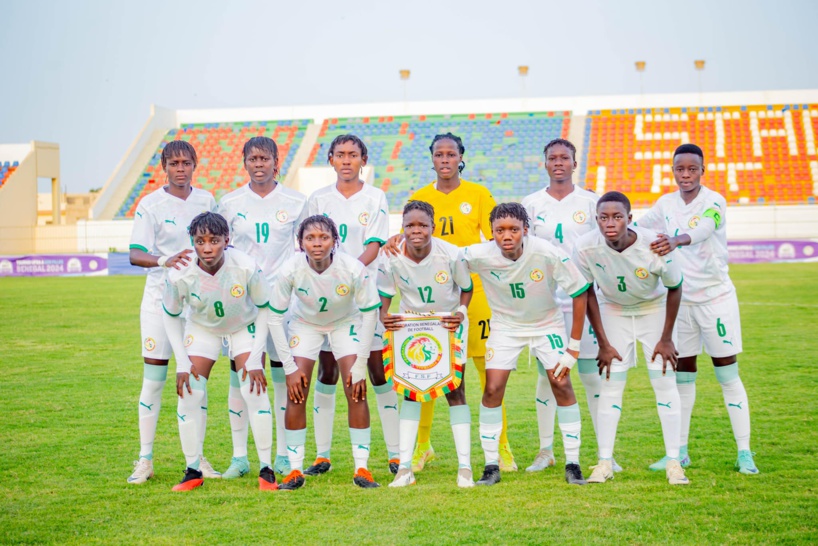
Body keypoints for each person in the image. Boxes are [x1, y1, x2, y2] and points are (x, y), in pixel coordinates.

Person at [384, 132, 516, 472]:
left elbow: (496, 236)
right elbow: (407, 234)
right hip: (430, 305)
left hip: (474, 296)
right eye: (439, 154)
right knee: (424, 372)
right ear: (432, 159)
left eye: (451, 153)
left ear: (461, 157)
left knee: (490, 377)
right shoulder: (420, 196)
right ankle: (422, 447)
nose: (445, 159)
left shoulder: (478, 194)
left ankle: (501, 448)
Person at [635, 143, 758, 475]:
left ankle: (744, 452)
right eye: (680, 169)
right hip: (681, 302)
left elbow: (704, 229)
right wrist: (613, 218)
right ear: (672, 171)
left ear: (703, 171)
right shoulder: (665, 203)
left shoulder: (714, 201)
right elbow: (640, 226)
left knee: (726, 373)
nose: (685, 175)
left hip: (715, 299)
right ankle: (680, 452)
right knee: (683, 377)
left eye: (692, 169)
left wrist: (676, 240)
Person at [464, 203, 590, 486]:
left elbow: (580, 291)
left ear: (525, 230)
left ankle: (573, 463)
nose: (506, 236)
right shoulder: (480, 254)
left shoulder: (547, 253)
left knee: (561, 384)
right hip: (506, 327)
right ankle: (491, 465)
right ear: (492, 232)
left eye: (513, 229)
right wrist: (400, 241)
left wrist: (574, 346)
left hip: (547, 325)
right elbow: (445, 256)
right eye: (499, 230)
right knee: (492, 388)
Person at [256, 214, 382, 489]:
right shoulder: (290, 269)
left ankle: (362, 467)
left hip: (345, 323)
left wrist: (361, 363)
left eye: (323, 237)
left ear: (335, 241)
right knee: (297, 391)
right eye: (310, 238)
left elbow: (371, 315)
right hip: (305, 324)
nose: (317, 244)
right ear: (300, 242)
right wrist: (289, 368)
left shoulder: (352, 268)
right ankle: (295, 470)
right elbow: (274, 318)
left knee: (355, 387)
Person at [572, 191, 689, 486]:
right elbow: (586, 292)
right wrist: (603, 343)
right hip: (613, 310)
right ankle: (605, 462)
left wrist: (666, 338)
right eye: (603, 217)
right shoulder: (585, 246)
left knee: (664, 382)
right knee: (610, 385)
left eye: (617, 216)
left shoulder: (655, 244)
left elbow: (675, 287)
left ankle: (674, 462)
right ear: (596, 219)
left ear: (629, 219)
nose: (610, 223)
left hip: (654, 308)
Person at [521, 138, 620, 473]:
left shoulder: (591, 201)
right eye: (553, 158)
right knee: (547, 376)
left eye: (565, 158)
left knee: (592, 376)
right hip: (545, 301)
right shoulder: (531, 203)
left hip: (586, 299)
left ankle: (604, 454)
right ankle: (546, 450)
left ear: (575, 163)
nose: (559, 162)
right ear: (545, 163)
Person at [162, 212, 276, 491]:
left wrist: (255, 356)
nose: (207, 247)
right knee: (190, 392)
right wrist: (181, 362)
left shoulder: (246, 265)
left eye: (214, 240)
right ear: (193, 242)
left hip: (243, 326)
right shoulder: (180, 272)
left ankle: (266, 469)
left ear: (227, 240)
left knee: (253, 389)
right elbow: (171, 316)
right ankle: (192, 470)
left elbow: (264, 308)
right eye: (200, 241)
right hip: (203, 328)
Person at [304, 135, 398, 475]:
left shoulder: (375, 197)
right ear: (330, 159)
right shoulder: (317, 199)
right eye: (340, 155)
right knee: (327, 373)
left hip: (362, 296)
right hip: (326, 299)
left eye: (353, 155)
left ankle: (395, 453)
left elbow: (374, 245)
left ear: (363, 160)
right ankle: (322, 455)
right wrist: (329, 281)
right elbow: (307, 244)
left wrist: (346, 277)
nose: (346, 160)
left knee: (375, 372)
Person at [127, 140, 218, 485]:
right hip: (158, 303)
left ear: (196, 164)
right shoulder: (150, 204)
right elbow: (135, 254)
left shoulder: (207, 200)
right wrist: (164, 259)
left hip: (195, 305)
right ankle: (145, 459)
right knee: (154, 382)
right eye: (174, 163)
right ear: (164, 166)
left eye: (186, 162)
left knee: (196, 383)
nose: (180, 168)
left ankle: (197, 458)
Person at [217, 136, 307, 479]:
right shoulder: (229, 202)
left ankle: (284, 455)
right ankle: (240, 458)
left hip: (285, 302)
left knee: (285, 376)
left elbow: (305, 249)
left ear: (275, 161)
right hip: (243, 303)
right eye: (252, 158)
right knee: (240, 377)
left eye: (264, 158)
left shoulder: (297, 202)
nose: (259, 164)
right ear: (244, 162)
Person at [377, 201, 475, 488]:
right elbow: (384, 293)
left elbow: (466, 289)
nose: (416, 230)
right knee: (410, 394)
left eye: (422, 225)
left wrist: (462, 312)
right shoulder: (391, 257)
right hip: (412, 327)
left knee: (456, 392)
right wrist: (384, 315)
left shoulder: (451, 255)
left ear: (433, 226)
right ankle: (404, 469)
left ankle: (465, 468)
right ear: (402, 228)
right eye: (410, 225)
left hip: (448, 326)